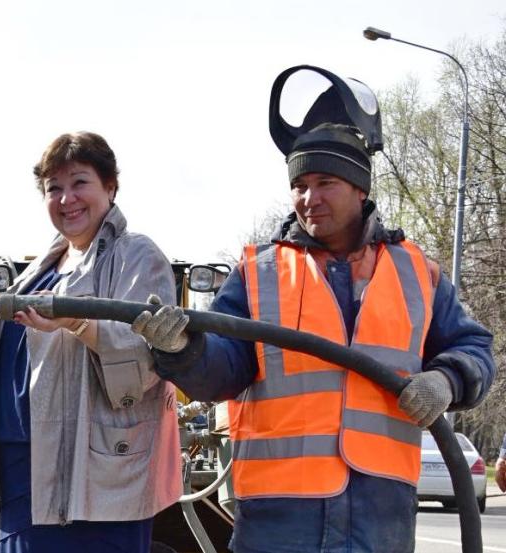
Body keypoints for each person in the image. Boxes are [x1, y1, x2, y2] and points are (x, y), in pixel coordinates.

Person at [131, 65, 495, 553]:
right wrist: (182, 348)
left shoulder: (416, 273)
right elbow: (223, 370)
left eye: (325, 182)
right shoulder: (259, 273)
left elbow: (474, 347)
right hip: (279, 518)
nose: (309, 198)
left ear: (360, 188)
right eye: (299, 185)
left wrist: (446, 381)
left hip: (379, 515)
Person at [0, 131, 181, 552]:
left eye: (79, 183)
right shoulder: (36, 272)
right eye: (54, 188)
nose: (67, 198)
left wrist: (77, 323)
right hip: (23, 477)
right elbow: (4, 388)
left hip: (97, 487)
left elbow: (149, 361)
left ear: (110, 187)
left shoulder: (136, 256)